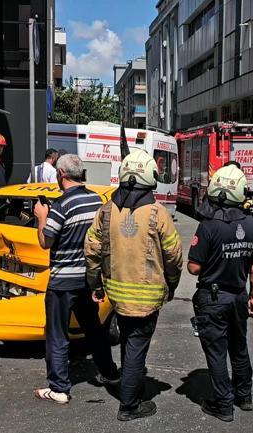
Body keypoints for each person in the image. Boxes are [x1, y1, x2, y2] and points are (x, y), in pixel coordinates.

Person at [85, 149, 183, 422]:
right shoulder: (157, 213)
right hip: (147, 299)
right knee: (137, 347)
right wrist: (172, 283)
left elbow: (91, 250)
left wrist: (95, 284)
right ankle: (129, 406)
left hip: (117, 297)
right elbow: (174, 255)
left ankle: (131, 385)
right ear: (150, 176)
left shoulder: (105, 211)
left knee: (129, 343)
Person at [32, 154, 120, 404]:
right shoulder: (96, 200)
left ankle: (59, 387)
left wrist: (41, 217)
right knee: (94, 328)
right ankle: (110, 373)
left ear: (61, 175)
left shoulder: (61, 205)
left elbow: (45, 241)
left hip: (62, 282)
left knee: (57, 334)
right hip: (88, 278)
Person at [187, 165, 253, 422]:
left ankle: (223, 404)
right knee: (239, 346)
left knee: (217, 351)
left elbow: (194, 267)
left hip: (214, 297)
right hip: (239, 296)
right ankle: (244, 396)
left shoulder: (208, 227)